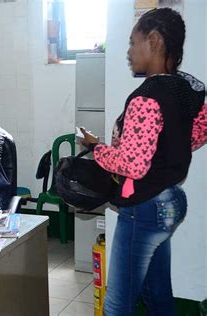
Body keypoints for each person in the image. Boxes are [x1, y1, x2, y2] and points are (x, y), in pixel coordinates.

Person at [80, 8, 207, 315]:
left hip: (145, 207)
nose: (129, 51)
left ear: (154, 41)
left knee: (117, 304)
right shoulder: (187, 89)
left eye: (133, 42)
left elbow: (134, 165)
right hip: (171, 201)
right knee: (157, 294)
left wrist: (96, 147)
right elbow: (198, 133)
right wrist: (165, 153)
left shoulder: (146, 98)